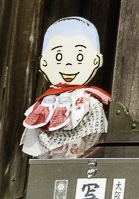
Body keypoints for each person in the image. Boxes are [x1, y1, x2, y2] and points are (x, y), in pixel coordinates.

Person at [21, 16, 110, 157]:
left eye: (79, 57)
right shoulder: (45, 102)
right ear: (44, 62)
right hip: (49, 165)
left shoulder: (91, 101)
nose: (68, 64)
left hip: (83, 163)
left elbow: (97, 135)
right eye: (59, 57)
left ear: (96, 60)